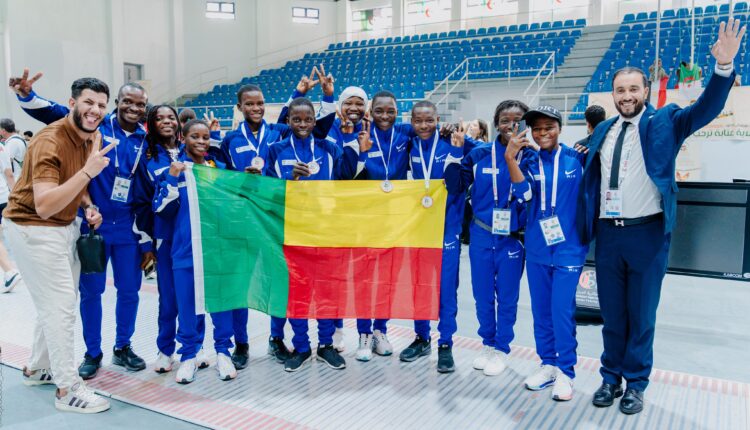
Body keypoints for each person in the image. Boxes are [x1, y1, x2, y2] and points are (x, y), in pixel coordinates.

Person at [577, 19, 744, 415]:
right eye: (620, 90)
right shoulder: (603, 131)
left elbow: (706, 109)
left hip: (647, 234)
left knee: (641, 314)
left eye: (633, 89)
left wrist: (723, 67)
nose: (627, 96)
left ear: (646, 91)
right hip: (608, 235)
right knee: (612, 313)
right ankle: (610, 377)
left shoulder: (666, 121)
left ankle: (636, 382)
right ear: (613, 94)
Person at [10, 69, 155, 380]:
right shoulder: (97, 123)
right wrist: (26, 95)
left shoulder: (147, 139)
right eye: (127, 102)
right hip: (93, 226)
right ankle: (93, 352)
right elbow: (54, 110)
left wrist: (147, 239)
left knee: (130, 291)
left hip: (128, 228)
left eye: (140, 104)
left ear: (145, 107)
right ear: (117, 103)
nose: (133, 108)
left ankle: (123, 346)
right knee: (91, 293)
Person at [4, 77, 114, 413]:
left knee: (57, 303)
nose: (95, 110)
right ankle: (68, 389)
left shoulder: (91, 136)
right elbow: (44, 205)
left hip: (65, 225)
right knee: (61, 306)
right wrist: (88, 172)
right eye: (88, 102)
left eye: (101, 105)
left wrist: (88, 206)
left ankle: (38, 368)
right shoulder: (49, 140)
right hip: (33, 227)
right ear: (72, 103)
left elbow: (74, 186)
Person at [221, 65, 336, 368]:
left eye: (260, 103)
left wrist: (309, 94)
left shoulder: (278, 132)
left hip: (290, 224)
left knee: (287, 284)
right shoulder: (231, 140)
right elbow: (223, 178)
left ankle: (280, 339)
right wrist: (245, 181)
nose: (256, 108)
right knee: (249, 283)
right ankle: (241, 343)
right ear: (239, 107)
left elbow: (302, 119)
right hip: (251, 221)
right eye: (249, 104)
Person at [265, 97, 362, 372]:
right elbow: (267, 193)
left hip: (325, 231)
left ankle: (326, 345)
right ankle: (301, 346)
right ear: (288, 121)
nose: (303, 124)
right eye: (296, 119)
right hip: (292, 233)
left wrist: (351, 139)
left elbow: (346, 177)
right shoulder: (276, 151)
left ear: (314, 121)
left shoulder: (328, 148)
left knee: (327, 292)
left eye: (308, 119)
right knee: (297, 292)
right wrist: (289, 181)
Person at [444, 101, 532, 377]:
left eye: (518, 120)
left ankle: (502, 348)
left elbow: (528, 194)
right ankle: (487, 344)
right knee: (482, 295)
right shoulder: (479, 154)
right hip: (481, 233)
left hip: (511, 238)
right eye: (505, 120)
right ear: (496, 124)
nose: (511, 126)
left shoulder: (530, 157)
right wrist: (455, 150)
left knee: (507, 297)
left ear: (526, 124)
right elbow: (455, 185)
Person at [507, 105, 587, 401]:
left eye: (549, 127)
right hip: (538, 248)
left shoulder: (577, 158)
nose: (543, 133)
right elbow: (524, 194)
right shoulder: (528, 160)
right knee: (540, 311)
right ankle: (548, 364)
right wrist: (510, 158)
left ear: (560, 128)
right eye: (537, 129)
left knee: (561, 311)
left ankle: (566, 370)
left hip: (569, 249)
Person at [154, 119, 236, 384]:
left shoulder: (219, 170)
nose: (201, 142)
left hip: (216, 251)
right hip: (185, 251)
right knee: (187, 306)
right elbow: (160, 208)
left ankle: (223, 353)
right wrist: (172, 177)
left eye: (206, 137)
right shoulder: (175, 171)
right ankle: (188, 355)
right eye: (195, 137)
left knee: (220, 305)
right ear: (183, 138)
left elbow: (233, 207)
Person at [398, 100, 465, 373]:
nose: (424, 125)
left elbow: (462, 177)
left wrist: (458, 136)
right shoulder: (410, 144)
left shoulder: (451, 141)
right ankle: (421, 337)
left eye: (429, 120)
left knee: (446, 289)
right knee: (420, 286)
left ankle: (445, 343)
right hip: (420, 229)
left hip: (447, 228)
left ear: (438, 119)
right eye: (418, 120)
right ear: (411, 122)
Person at [0, 138, 22, 293]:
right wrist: (15, 196)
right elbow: (8, 174)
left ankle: (9, 271)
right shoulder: (2, 147)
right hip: (3, 195)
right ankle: (9, 272)